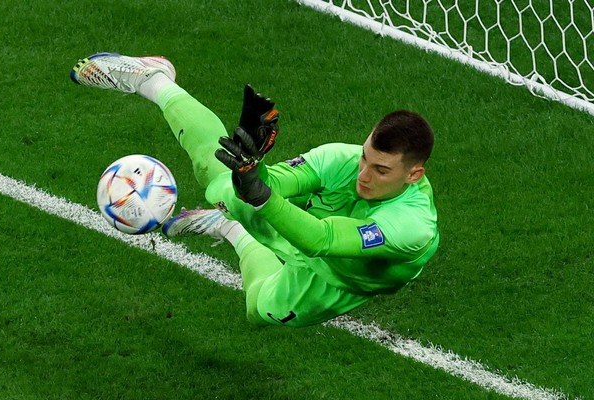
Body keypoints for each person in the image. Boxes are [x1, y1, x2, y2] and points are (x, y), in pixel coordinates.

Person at [70, 53, 439, 328]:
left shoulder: (410, 226)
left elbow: (321, 241)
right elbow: (276, 184)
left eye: (381, 170)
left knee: (261, 310)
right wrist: (254, 169)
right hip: (314, 227)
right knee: (224, 180)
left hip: (340, 276)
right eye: (364, 157)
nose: (363, 174)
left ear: (413, 174)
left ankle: (230, 229)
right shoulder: (339, 159)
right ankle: (154, 81)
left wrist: (259, 193)